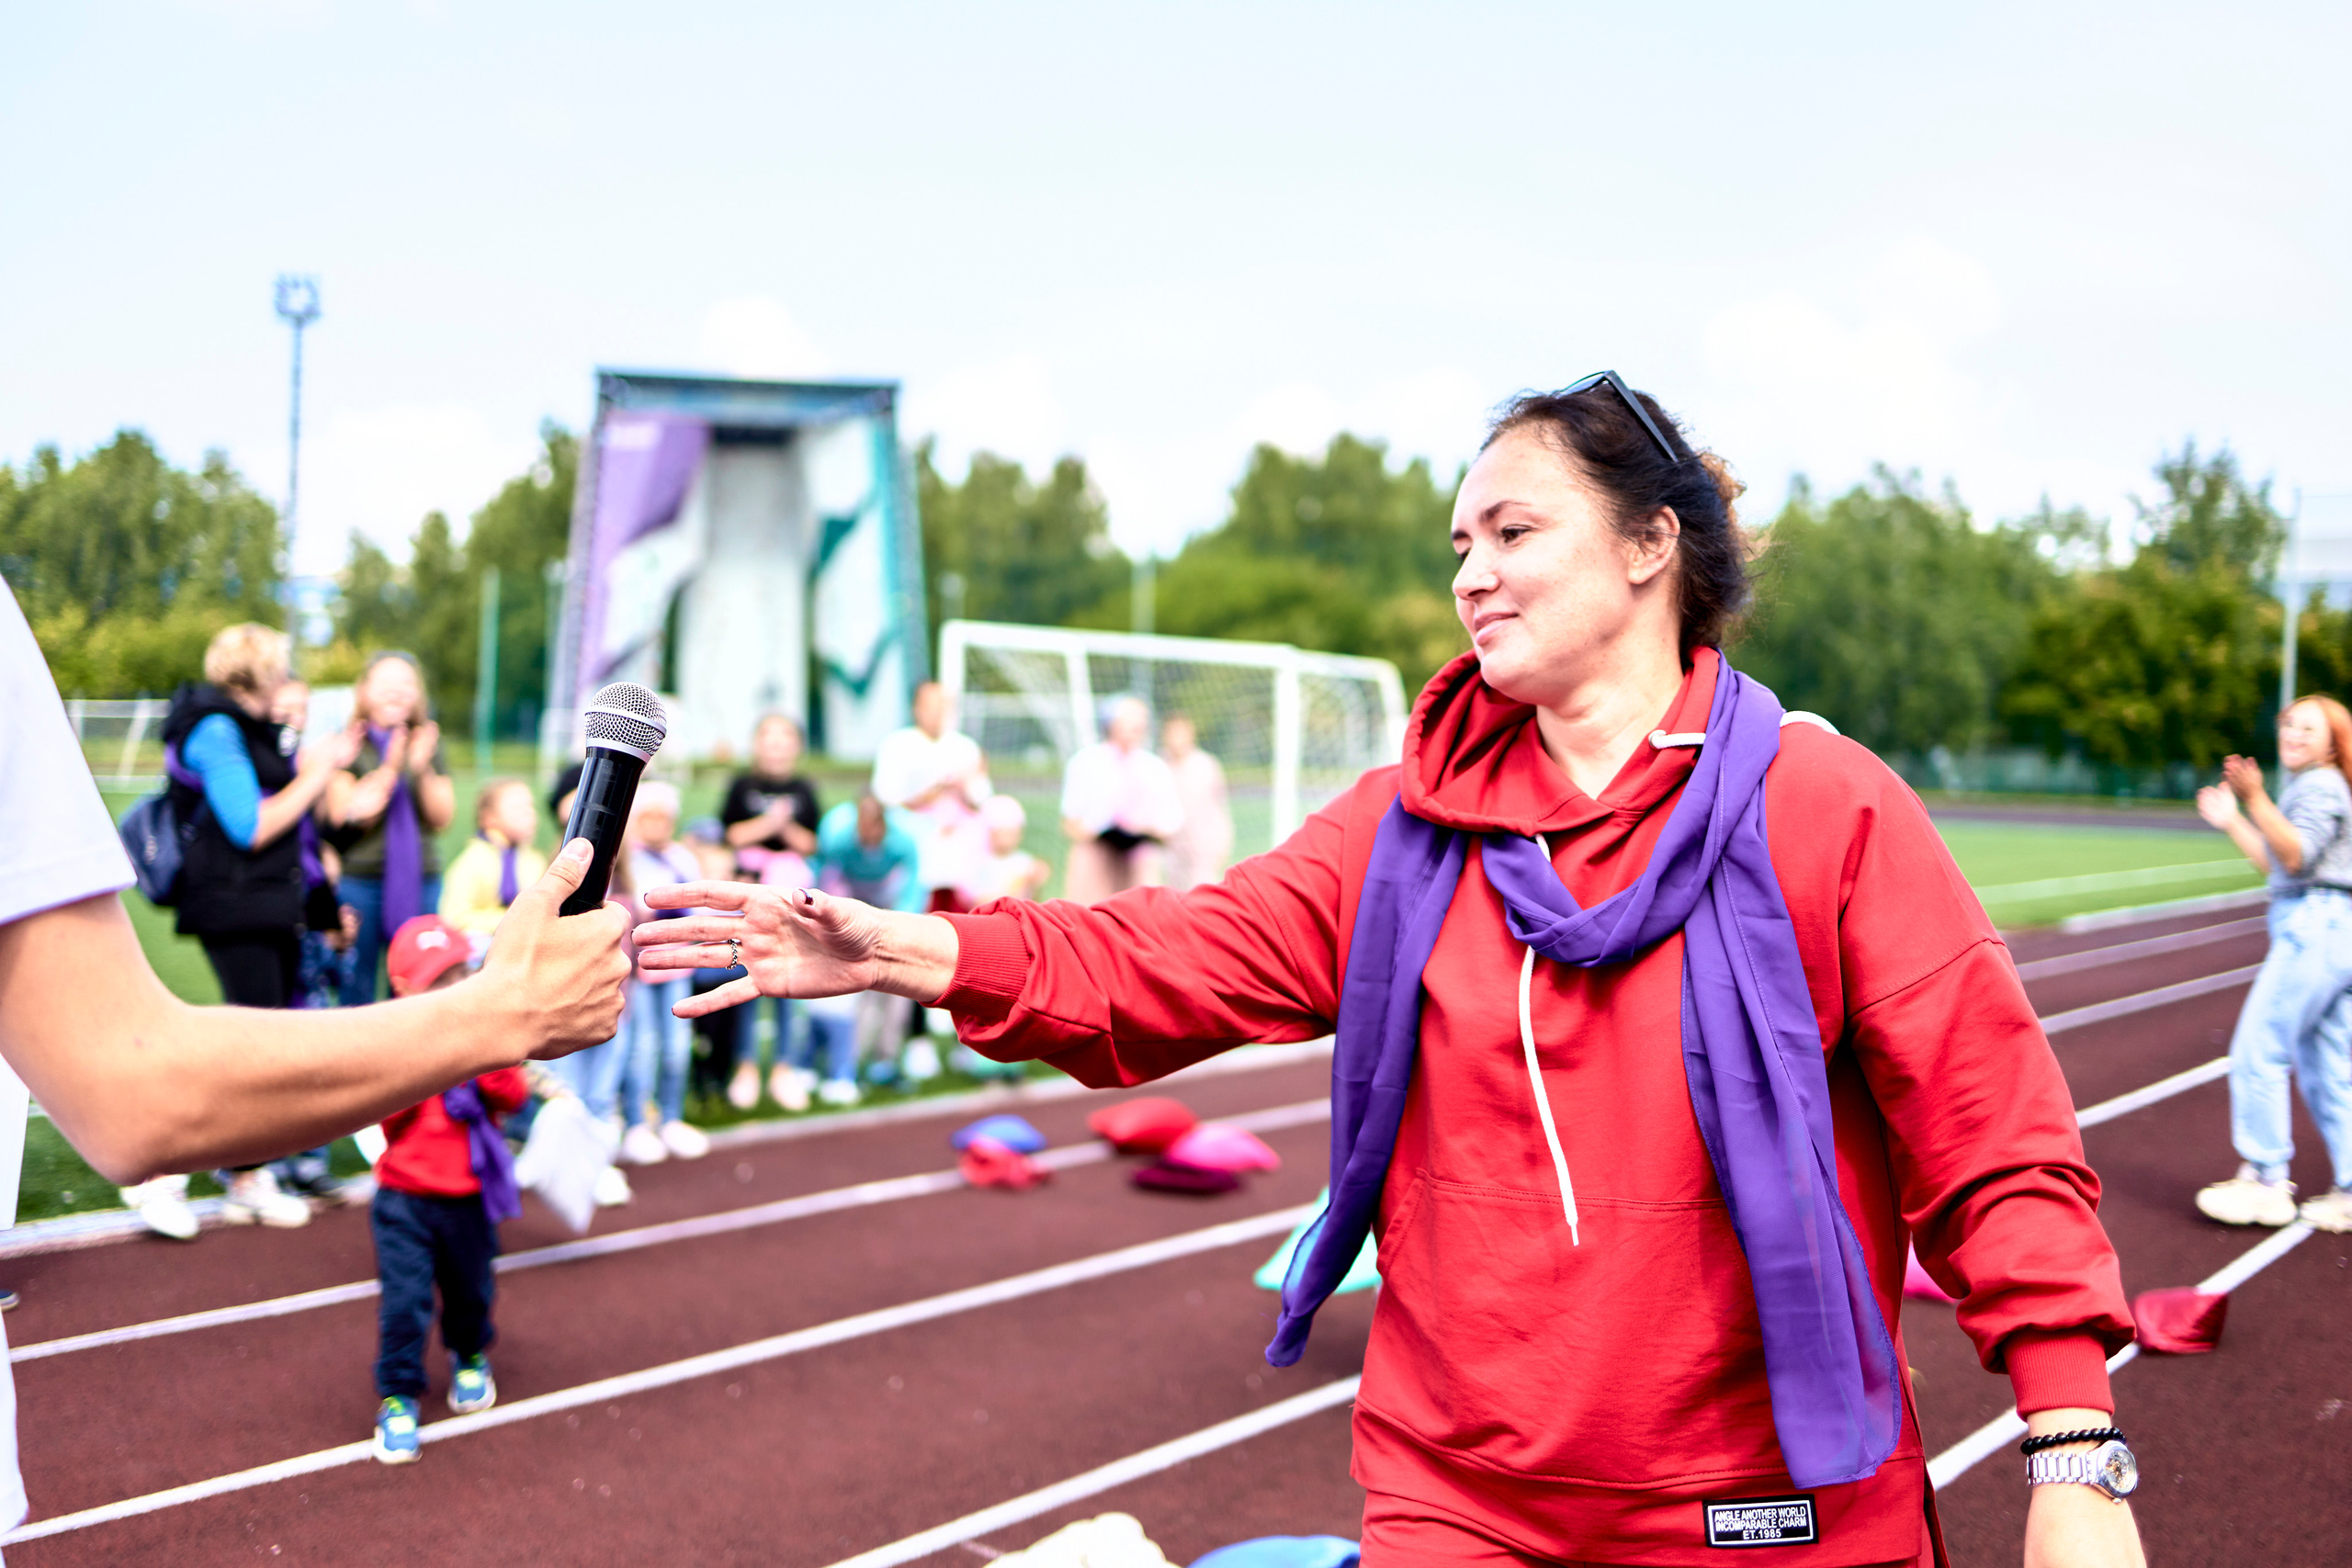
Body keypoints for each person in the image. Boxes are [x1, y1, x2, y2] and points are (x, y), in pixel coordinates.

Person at [638, 377, 2146, 1568]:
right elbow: (1174, 955)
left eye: (1512, 532)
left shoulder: (1828, 808)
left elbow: (1989, 1129)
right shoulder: (1404, 830)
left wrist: (2074, 1449)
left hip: (1756, 1501)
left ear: (1649, 545)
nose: (1472, 574)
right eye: (1458, 548)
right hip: (1460, 1496)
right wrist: (911, 946)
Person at [0, 579, 628, 1541]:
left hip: (439, 1157)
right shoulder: (224, 733)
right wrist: (502, 1011)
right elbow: (130, 1089)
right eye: (286, 666)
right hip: (278, 971)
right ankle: (254, 1187)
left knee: (461, 1287)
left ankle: (383, 1281)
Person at [142, 624, 364, 1227]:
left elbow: (299, 840)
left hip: (266, 906)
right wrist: (318, 772)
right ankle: (161, 1177)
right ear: (259, 673)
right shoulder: (216, 729)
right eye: (281, 667)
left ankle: (244, 1175)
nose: (287, 678)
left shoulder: (243, 727)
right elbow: (252, 827)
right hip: (233, 905)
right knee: (245, 1048)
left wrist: (321, 909)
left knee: (259, 1046)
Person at [367, 914, 526, 1464]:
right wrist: (430, 1065)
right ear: (406, 991)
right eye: (439, 979)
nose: (454, 988)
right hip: (404, 1199)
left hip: (467, 1199)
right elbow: (387, 1119)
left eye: (459, 974)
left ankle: (469, 1354)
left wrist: (479, 1059)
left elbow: (513, 1096)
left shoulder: (484, 1039)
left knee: (470, 1292)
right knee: (404, 1304)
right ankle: (398, 1395)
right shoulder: (395, 1044)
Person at [2192, 695, 2352, 1234]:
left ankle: (2265, 1182)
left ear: (2333, 744)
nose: (2293, 734)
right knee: (2327, 1068)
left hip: (2318, 926)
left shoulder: (2321, 786)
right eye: (2289, 724)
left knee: (2259, 1047)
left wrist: (2257, 797)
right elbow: (2278, 864)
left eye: (2309, 728)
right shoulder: (2318, 786)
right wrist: (2236, 819)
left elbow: (2296, 856)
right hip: (2332, 927)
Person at [327, 652, 457, 1006]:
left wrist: (421, 767)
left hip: (420, 880)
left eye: (406, 683)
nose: (396, 691)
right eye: (386, 683)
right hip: (361, 881)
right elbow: (349, 813)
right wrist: (393, 764)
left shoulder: (427, 742)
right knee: (356, 989)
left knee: (415, 987)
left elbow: (442, 817)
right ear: (364, 691)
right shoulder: (350, 743)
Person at [718, 716, 821, 1107]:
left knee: (789, 979)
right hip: (747, 898)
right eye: (768, 736)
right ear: (756, 743)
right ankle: (744, 1066)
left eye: (785, 737)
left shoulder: (805, 789)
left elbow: (810, 843)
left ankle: (784, 1068)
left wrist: (785, 828)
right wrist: (770, 823)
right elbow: (732, 834)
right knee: (744, 975)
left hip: (790, 900)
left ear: (796, 746)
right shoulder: (741, 785)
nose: (776, 744)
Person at [615, 783, 711, 1164]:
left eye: (663, 817)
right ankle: (637, 1122)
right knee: (641, 1048)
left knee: (676, 1048)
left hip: (677, 966)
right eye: (648, 816)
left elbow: (699, 907)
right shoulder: (628, 858)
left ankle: (671, 1118)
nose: (656, 824)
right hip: (639, 969)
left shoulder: (682, 859)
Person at [808, 792, 929, 1097]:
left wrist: (900, 922)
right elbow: (823, 874)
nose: (866, 832)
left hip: (892, 907)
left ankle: (885, 1061)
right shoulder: (840, 840)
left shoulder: (902, 842)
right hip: (855, 906)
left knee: (899, 987)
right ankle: (849, 1062)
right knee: (857, 988)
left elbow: (914, 883)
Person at [870, 681, 991, 913]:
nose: (937, 712)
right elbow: (886, 798)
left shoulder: (965, 747)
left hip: (959, 830)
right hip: (912, 826)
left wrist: (962, 788)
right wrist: (933, 794)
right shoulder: (896, 744)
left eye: (943, 705)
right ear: (917, 708)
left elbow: (981, 799)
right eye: (931, 705)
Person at [1059, 695, 1184, 904]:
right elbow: (1070, 820)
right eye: (1131, 719)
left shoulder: (1154, 767)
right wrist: (1098, 831)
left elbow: (1171, 818)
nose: (1138, 725)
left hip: (1139, 858)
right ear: (1112, 723)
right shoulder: (1086, 762)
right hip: (1096, 855)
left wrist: (1147, 830)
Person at [440, 779, 548, 954]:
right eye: (518, 808)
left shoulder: (534, 861)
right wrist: (508, 920)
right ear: (490, 818)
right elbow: (455, 918)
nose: (530, 816)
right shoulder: (472, 861)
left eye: (530, 807)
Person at [1159, 714, 1233, 893]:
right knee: (1172, 896)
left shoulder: (1206, 765)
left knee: (1201, 895)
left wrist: (1224, 841)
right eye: (1172, 732)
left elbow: (1220, 806)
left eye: (1181, 732)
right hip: (1170, 847)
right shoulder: (1159, 766)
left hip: (1201, 845)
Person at [956, 794, 1051, 907]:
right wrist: (1018, 886)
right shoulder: (980, 863)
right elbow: (980, 902)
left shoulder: (1025, 861)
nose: (1009, 837)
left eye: (1012, 833)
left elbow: (1034, 900)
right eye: (1005, 833)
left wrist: (1035, 881)